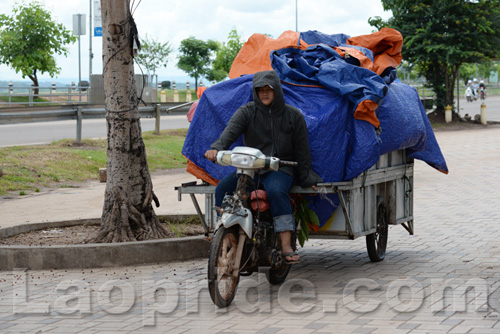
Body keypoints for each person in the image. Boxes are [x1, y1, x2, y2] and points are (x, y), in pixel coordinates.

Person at [204, 70, 322, 264]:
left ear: (277, 91)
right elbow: (228, 134)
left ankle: (285, 244)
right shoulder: (247, 112)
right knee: (223, 189)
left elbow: (302, 153)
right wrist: (216, 149)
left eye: (269, 89)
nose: (264, 93)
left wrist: (307, 177)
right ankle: (222, 234)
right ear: (255, 92)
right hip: (250, 169)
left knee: (276, 191)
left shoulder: (293, 116)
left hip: (280, 168)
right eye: (260, 90)